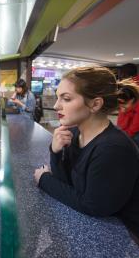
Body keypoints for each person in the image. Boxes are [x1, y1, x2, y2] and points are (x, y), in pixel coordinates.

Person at [33, 67, 139, 241]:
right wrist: (56, 151)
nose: (56, 105)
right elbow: (67, 183)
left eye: (66, 98)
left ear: (95, 104)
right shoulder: (74, 133)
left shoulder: (113, 148)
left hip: (125, 238)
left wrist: (44, 179)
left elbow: (94, 206)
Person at [117, 82, 139, 147]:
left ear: (132, 100)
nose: (122, 108)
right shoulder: (124, 105)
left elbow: (134, 129)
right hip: (132, 132)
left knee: (135, 139)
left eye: (124, 105)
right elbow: (120, 126)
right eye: (120, 106)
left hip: (136, 131)